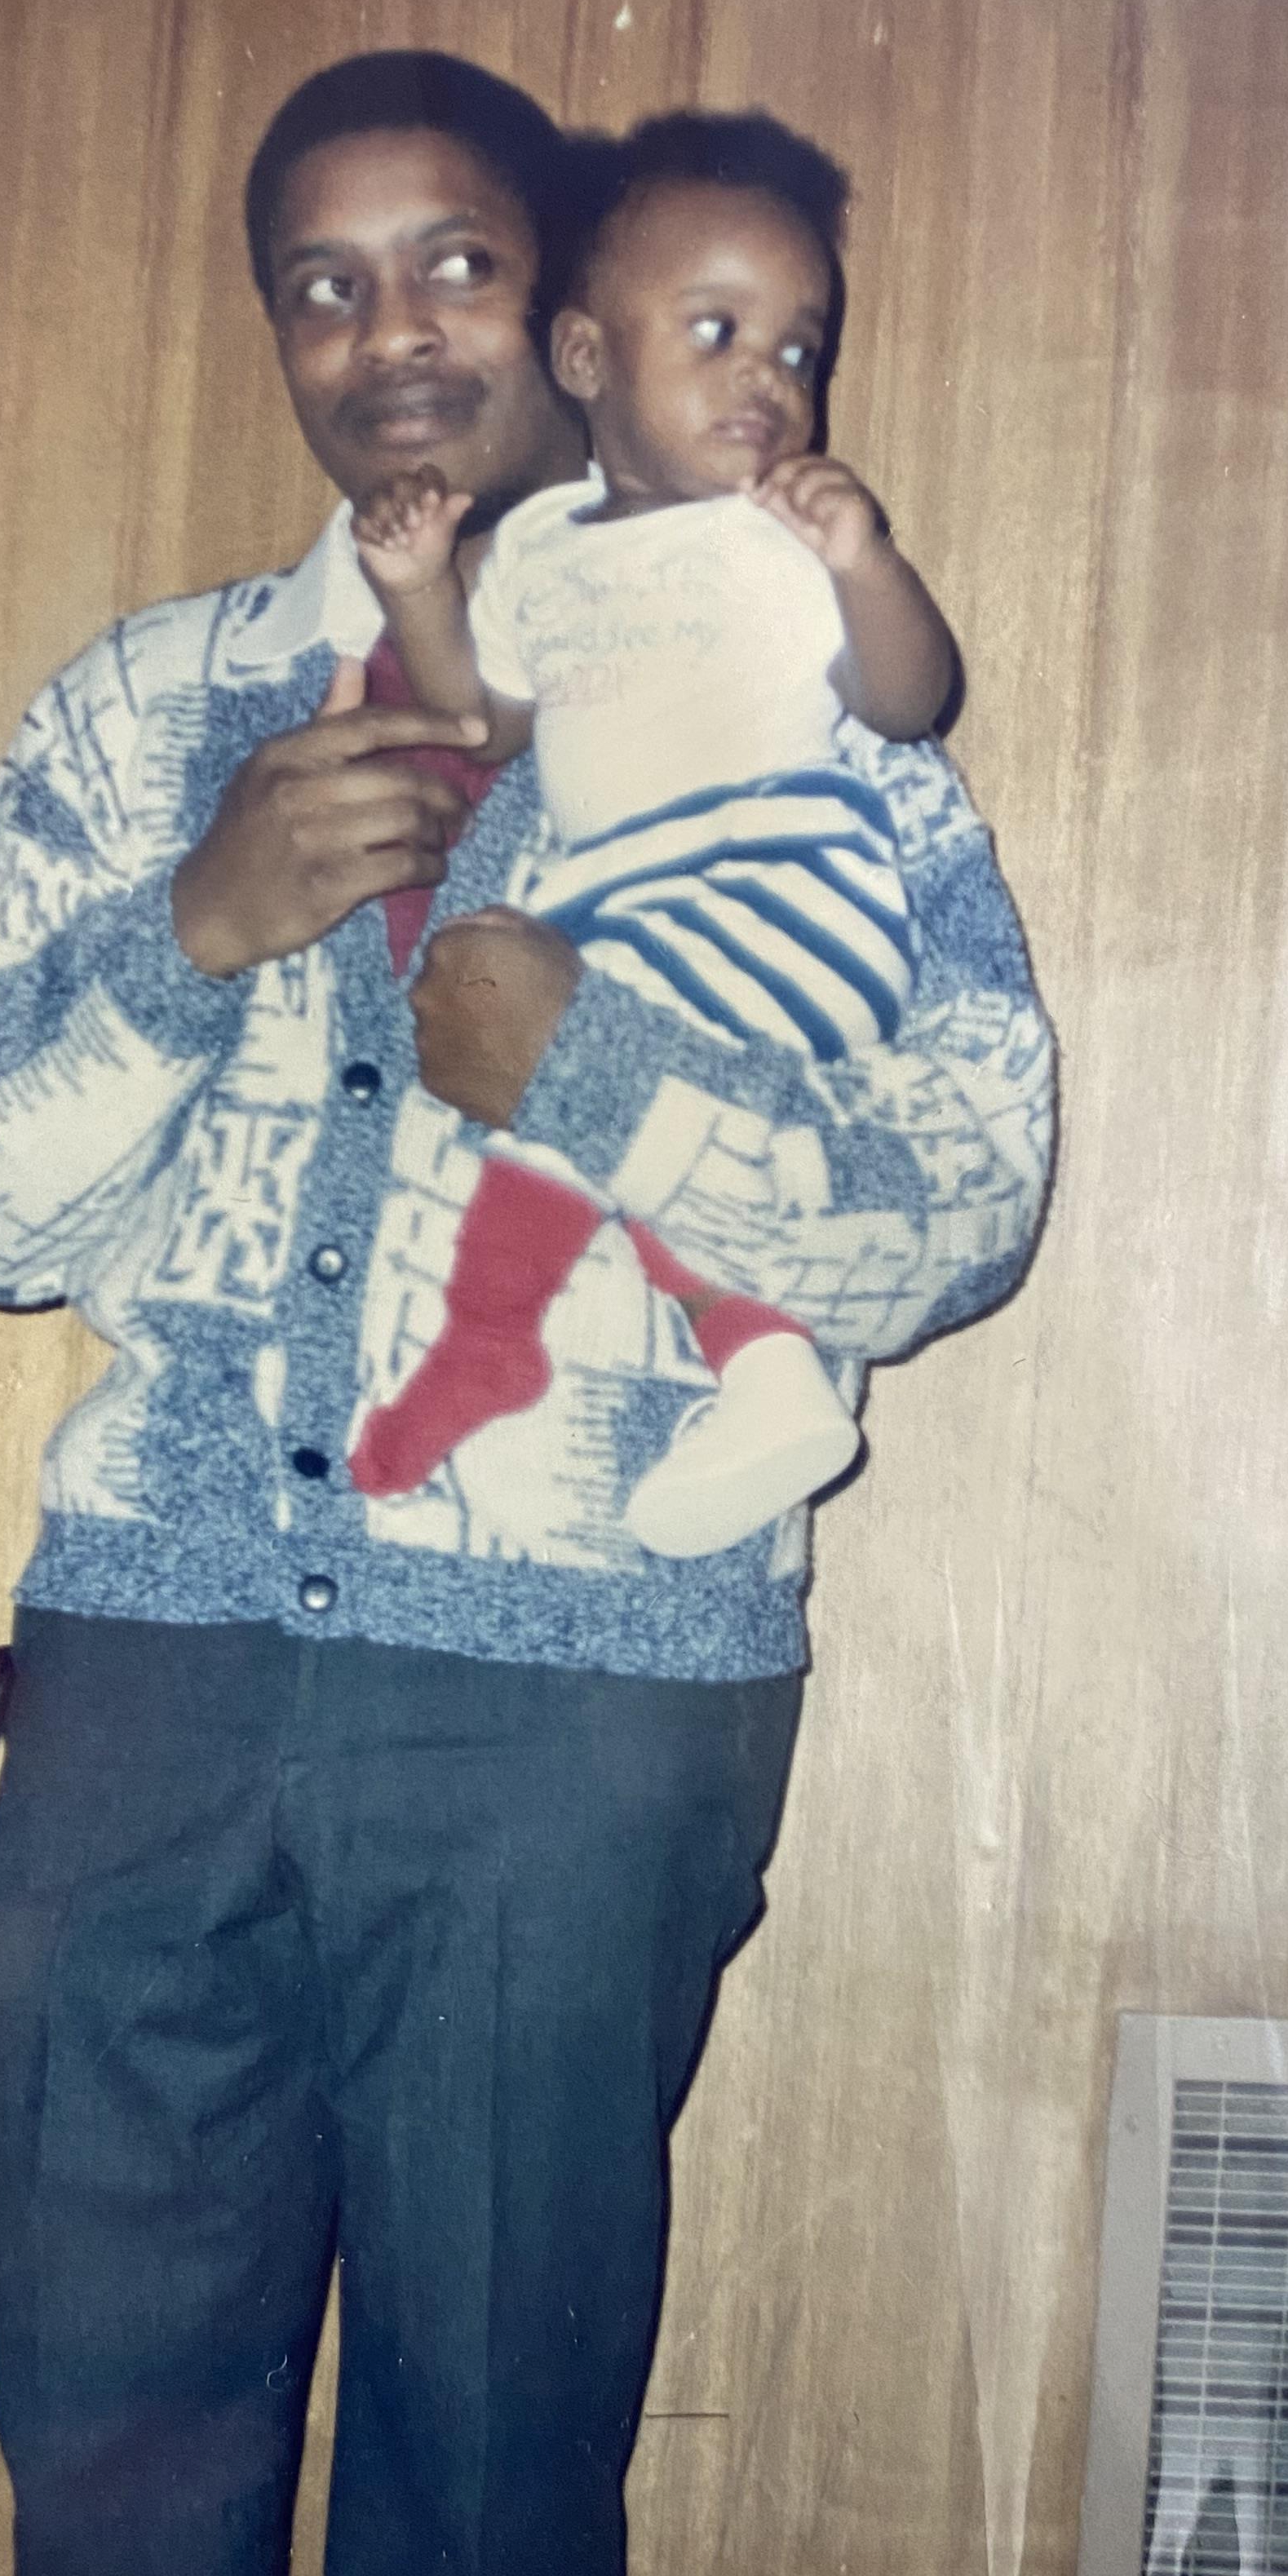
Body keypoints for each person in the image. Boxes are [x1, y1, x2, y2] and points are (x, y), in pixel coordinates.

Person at [0, 49, 1056, 2576]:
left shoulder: (817, 707)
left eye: (459, 265)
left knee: (489, 2523)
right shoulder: (154, 709)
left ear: (594, 304)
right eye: (321, 281)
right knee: (110, 2502)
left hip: (578, 1719)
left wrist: (598, 1073)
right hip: (148, 1696)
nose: (389, 335)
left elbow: (961, 1206)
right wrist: (195, 925)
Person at [345, 108, 959, 1557]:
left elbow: (911, 703)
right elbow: (481, 722)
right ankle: (745, 1365)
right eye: (719, 332)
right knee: (556, 1104)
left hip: (782, 899)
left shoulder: (781, 536)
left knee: (546, 1048)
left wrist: (867, 564)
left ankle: (495, 1344)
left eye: (799, 351)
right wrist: (422, 589)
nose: (770, 381)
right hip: (638, 921)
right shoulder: (549, 551)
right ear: (585, 361)